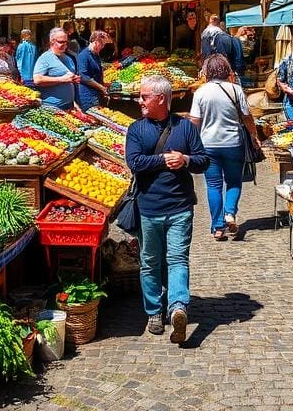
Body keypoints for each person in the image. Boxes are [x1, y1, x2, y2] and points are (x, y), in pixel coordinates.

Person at [126, 75, 209, 343]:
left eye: (144, 96)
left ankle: (177, 308)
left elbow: (202, 160)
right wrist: (163, 159)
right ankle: (153, 311)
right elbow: (135, 163)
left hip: (180, 206)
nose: (139, 101)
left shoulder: (185, 128)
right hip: (148, 207)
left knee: (177, 258)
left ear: (161, 98)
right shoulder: (137, 130)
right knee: (150, 262)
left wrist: (185, 159)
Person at [188, 54, 260, 240]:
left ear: (207, 71)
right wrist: (253, 135)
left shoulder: (201, 93)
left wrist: (190, 142)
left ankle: (218, 227)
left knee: (213, 185)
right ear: (226, 69)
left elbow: (194, 121)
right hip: (233, 143)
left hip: (208, 144)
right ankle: (230, 214)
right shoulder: (236, 90)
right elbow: (247, 117)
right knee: (234, 181)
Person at [32, 27, 80, 110]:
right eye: (61, 42)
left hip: (69, 105)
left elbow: (69, 82)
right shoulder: (45, 58)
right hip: (52, 107)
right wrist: (62, 79)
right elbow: (37, 79)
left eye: (66, 42)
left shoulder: (69, 58)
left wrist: (73, 79)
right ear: (52, 42)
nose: (64, 45)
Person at [77, 30, 112, 111]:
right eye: (102, 44)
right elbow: (83, 77)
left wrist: (103, 84)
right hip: (87, 96)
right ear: (95, 42)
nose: (103, 47)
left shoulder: (96, 55)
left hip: (96, 94)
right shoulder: (84, 56)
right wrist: (101, 87)